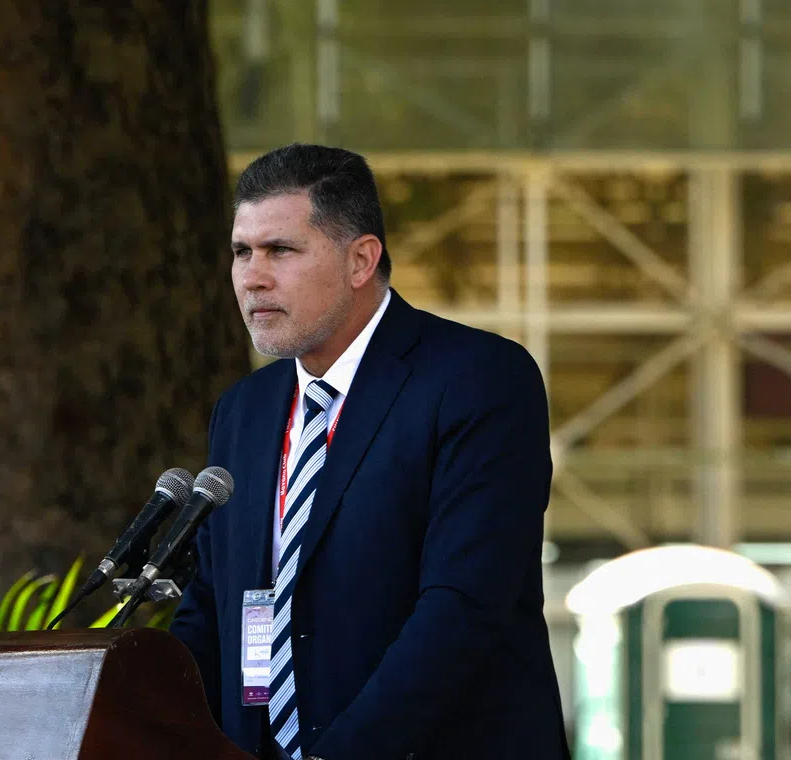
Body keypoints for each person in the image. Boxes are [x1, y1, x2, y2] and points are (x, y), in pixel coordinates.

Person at [169, 144, 570, 760]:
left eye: (281, 250)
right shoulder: (243, 412)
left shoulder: (477, 380)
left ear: (361, 260)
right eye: (242, 252)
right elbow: (216, 606)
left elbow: (461, 608)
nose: (252, 276)